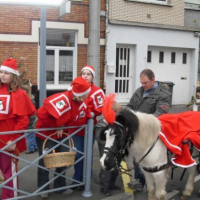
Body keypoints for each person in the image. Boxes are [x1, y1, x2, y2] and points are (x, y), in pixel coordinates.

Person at [35, 77, 91, 199]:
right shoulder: (63, 99)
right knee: (45, 161)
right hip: (46, 134)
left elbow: (72, 118)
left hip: (61, 134)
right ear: (80, 94)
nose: (88, 96)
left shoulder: (78, 101)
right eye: (86, 94)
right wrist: (56, 126)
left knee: (63, 159)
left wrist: (63, 126)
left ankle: (59, 186)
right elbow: (40, 114)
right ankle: (43, 188)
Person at [126, 69, 171, 191]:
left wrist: (142, 122)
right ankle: (140, 181)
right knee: (138, 155)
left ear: (152, 80)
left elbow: (160, 113)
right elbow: (130, 106)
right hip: (138, 130)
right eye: (141, 83)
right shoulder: (139, 91)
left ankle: (155, 180)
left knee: (151, 158)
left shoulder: (164, 93)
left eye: (145, 83)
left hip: (152, 131)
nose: (143, 85)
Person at [0, 58, 36, 200]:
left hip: (8, 141)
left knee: (9, 172)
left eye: (6, 73)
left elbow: (23, 120)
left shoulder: (19, 94)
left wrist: (13, 139)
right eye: (1, 72)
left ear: (13, 76)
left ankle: (10, 197)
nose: (2, 75)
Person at [70, 65, 105, 190]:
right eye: (83, 73)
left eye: (88, 74)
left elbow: (100, 108)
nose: (85, 76)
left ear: (92, 77)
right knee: (77, 154)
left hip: (89, 127)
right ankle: (77, 179)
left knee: (87, 153)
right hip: (75, 128)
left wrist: (90, 113)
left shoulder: (97, 91)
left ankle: (86, 179)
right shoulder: (73, 87)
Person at [95, 101, 122, 196]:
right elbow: (99, 139)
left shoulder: (116, 122)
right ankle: (104, 187)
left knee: (115, 168)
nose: (120, 114)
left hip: (115, 150)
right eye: (118, 112)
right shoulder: (101, 125)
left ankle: (112, 184)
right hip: (106, 150)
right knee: (106, 168)